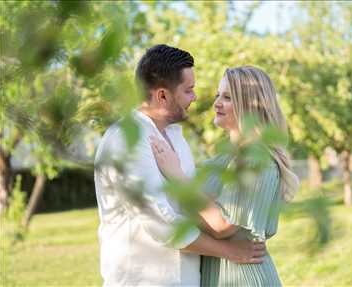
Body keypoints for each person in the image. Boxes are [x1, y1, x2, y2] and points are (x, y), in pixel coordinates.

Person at [94, 46, 266, 287]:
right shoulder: (126, 140)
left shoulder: (176, 138)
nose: (195, 97)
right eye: (188, 90)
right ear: (162, 95)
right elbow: (161, 224)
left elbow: (190, 206)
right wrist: (229, 250)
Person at [151, 66, 299, 286]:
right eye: (217, 95)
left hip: (244, 279)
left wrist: (176, 174)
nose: (217, 103)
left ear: (251, 106)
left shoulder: (258, 161)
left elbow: (222, 225)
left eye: (228, 97)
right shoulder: (220, 162)